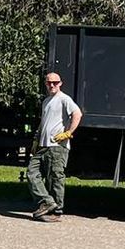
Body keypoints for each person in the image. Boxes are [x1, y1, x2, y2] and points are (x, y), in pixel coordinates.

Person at [27, 70, 82, 222]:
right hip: (43, 146)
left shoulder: (64, 99)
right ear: (45, 84)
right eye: (49, 82)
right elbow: (43, 122)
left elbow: (77, 114)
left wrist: (68, 132)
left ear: (60, 83)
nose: (52, 85)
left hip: (57, 146)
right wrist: (36, 140)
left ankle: (56, 211)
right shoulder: (46, 101)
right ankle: (47, 202)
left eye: (55, 82)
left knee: (55, 178)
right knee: (31, 173)